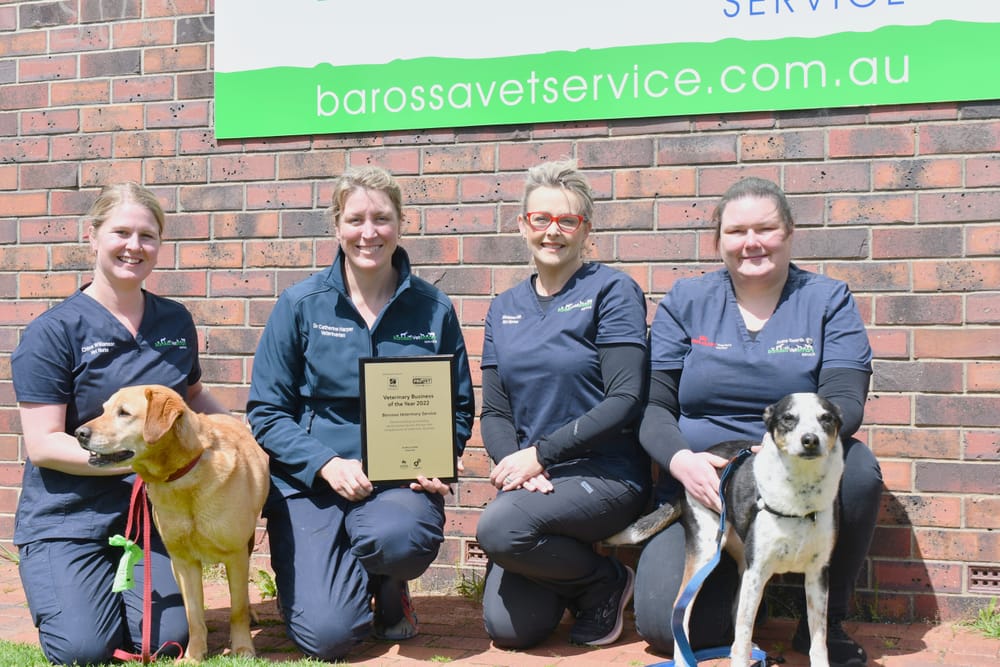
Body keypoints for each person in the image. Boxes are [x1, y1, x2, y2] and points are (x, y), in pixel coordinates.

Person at [632, 177, 882, 667]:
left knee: (857, 473)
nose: (752, 242)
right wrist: (682, 462)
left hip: (794, 467)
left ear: (789, 233)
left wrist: (779, 447)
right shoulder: (686, 300)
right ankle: (749, 584)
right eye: (736, 231)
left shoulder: (828, 299)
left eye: (766, 228)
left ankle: (823, 627)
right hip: (709, 487)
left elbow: (845, 401)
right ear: (718, 240)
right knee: (666, 628)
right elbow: (653, 408)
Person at [246, 166, 475, 661]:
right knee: (329, 637)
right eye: (356, 219)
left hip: (398, 484)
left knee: (398, 540)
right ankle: (333, 583)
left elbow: (457, 405)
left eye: (381, 218)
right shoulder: (301, 305)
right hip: (312, 485)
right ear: (336, 226)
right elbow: (266, 411)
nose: (368, 232)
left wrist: (438, 457)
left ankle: (391, 591)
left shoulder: (433, 309)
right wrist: (325, 462)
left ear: (400, 224)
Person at [10, 183, 229, 665]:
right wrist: (138, 461)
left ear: (160, 245)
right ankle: (72, 593)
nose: (135, 246)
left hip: (156, 517)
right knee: (85, 651)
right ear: (93, 236)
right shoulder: (53, 332)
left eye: (147, 236)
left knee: (166, 642)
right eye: (122, 232)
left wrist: (240, 436)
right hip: (70, 518)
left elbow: (194, 399)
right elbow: (45, 444)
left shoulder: (174, 321)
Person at [475, 159, 651, 649]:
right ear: (523, 225)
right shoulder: (504, 307)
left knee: (500, 529)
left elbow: (625, 398)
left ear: (585, 229)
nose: (553, 231)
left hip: (607, 474)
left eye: (567, 220)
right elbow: (495, 412)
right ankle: (583, 574)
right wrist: (518, 465)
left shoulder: (612, 292)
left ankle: (604, 584)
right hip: (538, 483)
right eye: (541, 219)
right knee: (511, 632)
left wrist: (540, 454)